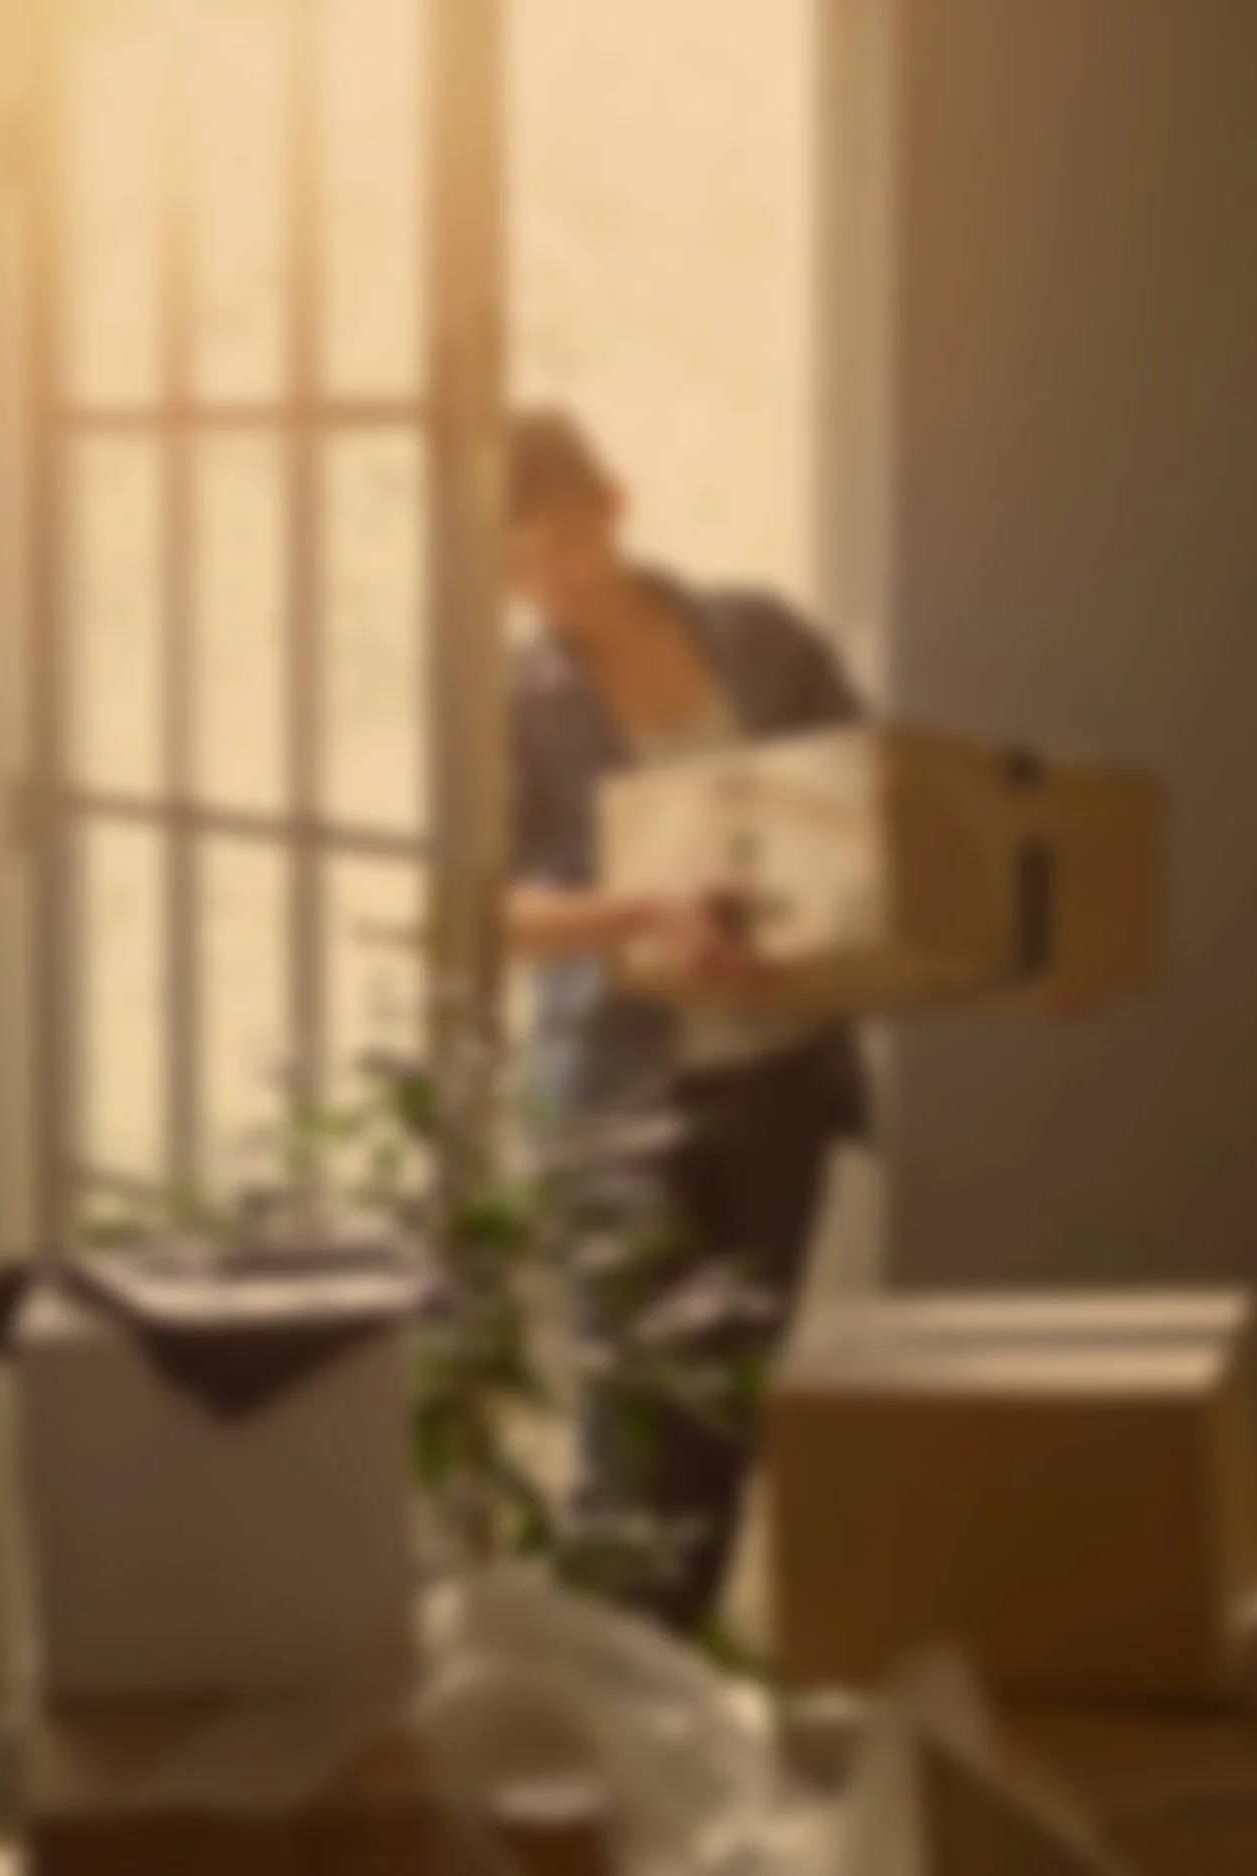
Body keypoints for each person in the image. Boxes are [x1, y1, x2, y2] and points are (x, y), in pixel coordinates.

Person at [503, 407, 872, 1639]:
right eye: (515, 567)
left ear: (613, 503)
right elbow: (488, 913)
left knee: (724, 1414)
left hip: (782, 1081)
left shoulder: (763, 638)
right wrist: (642, 910)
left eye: (563, 543)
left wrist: (1015, 950)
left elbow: (886, 813)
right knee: (633, 1426)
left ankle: (677, 1694)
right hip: (616, 1102)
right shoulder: (516, 702)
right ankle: (611, 1703)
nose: (549, 585)